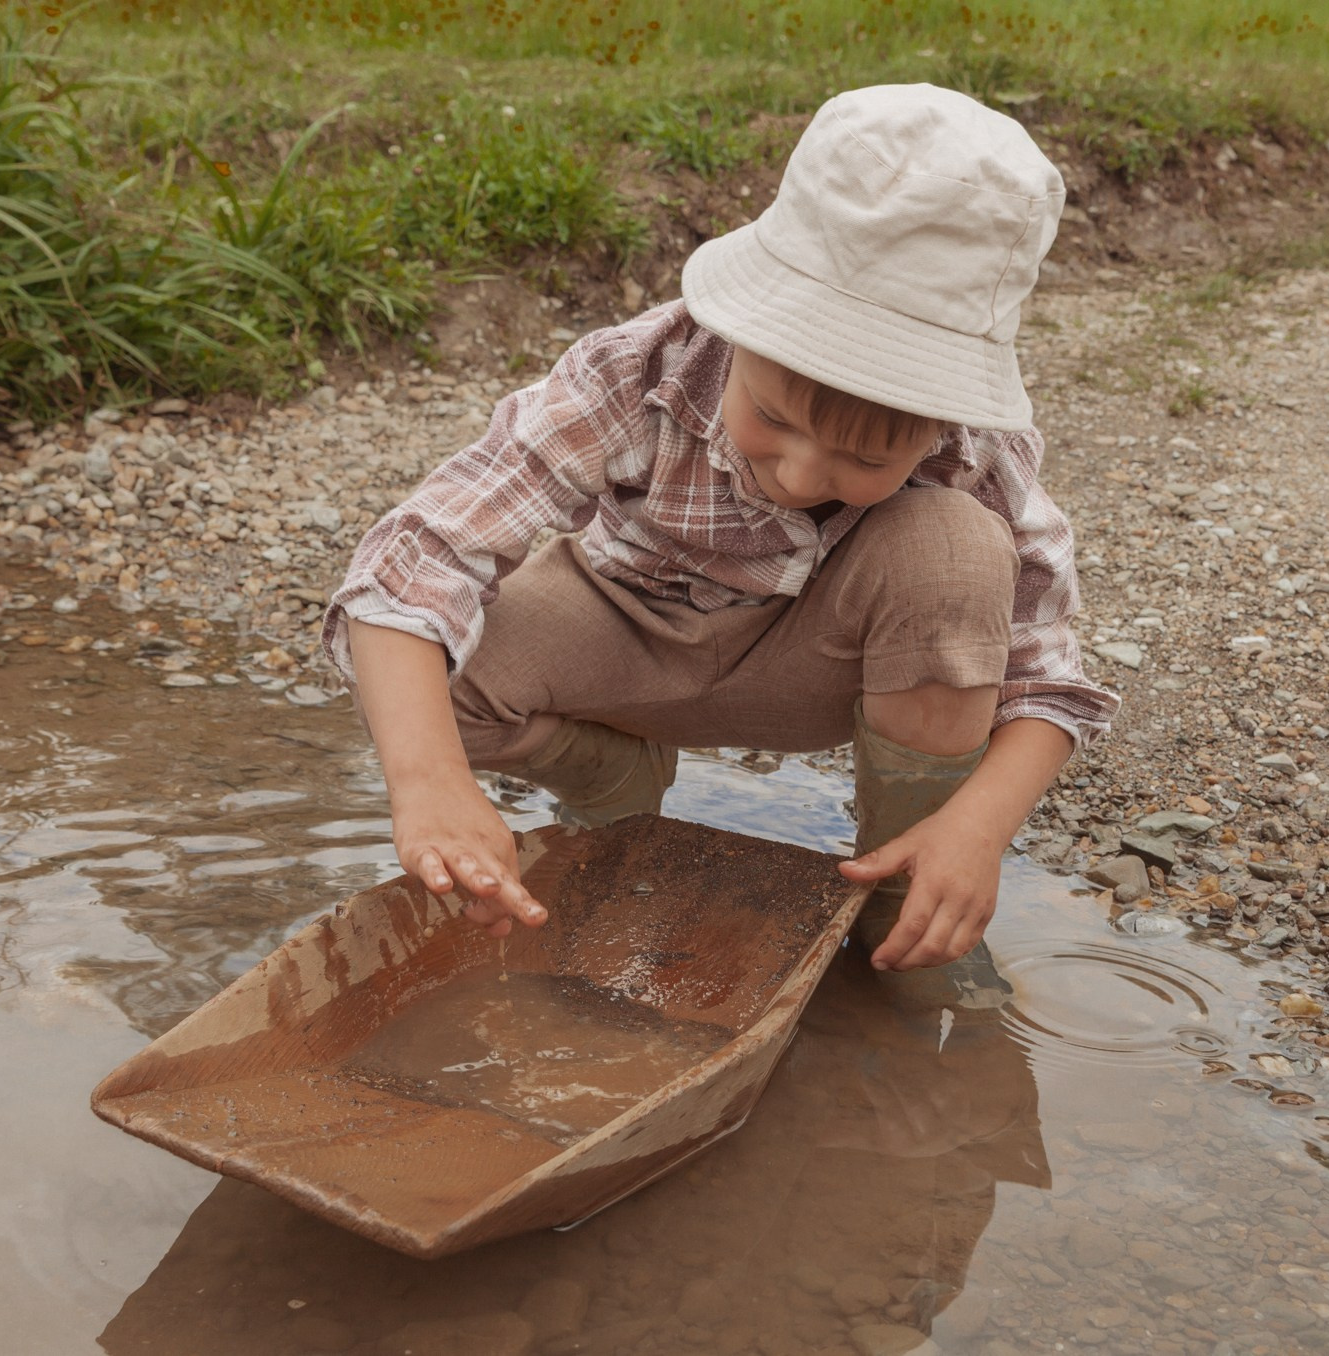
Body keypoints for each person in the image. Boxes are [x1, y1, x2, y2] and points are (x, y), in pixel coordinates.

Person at [321, 83, 1117, 1006]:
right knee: (422, 676)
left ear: (938, 419)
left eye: (865, 458)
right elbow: (414, 562)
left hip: (821, 662)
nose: (799, 474)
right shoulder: (637, 369)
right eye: (771, 418)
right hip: (627, 625)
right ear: (738, 332)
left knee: (953, 547)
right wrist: (428, 783)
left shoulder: (974, 446)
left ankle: (903, 897)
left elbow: (1044, 682)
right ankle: (612, 786)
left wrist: (975, 829)